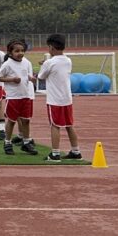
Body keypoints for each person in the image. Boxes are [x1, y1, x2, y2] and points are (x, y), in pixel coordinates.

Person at [36, 34, 83, 162]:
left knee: (55, 125)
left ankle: (55, 153)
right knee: (69, 125)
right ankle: (76, 151)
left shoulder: (49, 62)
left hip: (54, 100)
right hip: (67, 99)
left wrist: (43, 65)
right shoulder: (68, 60)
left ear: (51, 47)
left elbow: (41, 76)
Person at [0, 39, 39, 156]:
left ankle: (26, 142)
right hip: (13, 97)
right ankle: (7, 142)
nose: (20, 53)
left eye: (22, 51)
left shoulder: (25, 62)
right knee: (12, 121)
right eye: (17, 51)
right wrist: (12, 79)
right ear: (10, 53)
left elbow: (26, 75)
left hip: (25, 96)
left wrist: (31, 78)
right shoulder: (7, 64)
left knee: (26, 120)